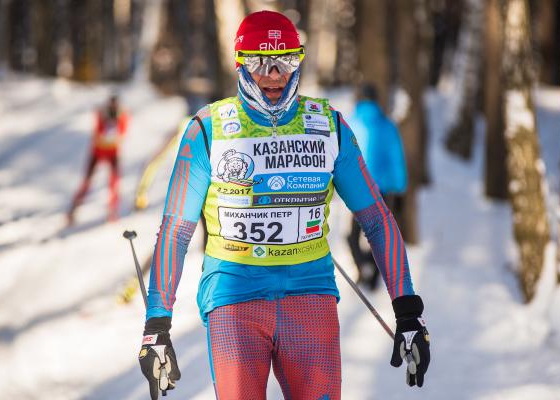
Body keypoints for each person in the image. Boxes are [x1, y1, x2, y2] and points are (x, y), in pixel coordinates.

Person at [137, 11, 430, 400]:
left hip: (309, 297)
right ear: (240, 62)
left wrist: (407, 309)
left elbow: (376, 218)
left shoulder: (327, 125)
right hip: (235, 299)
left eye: (285, 60)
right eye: (260, 62)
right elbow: (176, 231)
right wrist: (158, 322)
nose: (273, 74)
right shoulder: (207, 129)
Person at [347, 84, 408, 289]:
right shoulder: (387, 125)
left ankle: (362, 267)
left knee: (353, 233)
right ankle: (372, 275)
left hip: (356, 186)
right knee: (376, 234)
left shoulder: (350, 122)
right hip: (379, 188)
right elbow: (396, 158)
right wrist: (399, 189)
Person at [67, 94, 128, 224]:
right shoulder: (101, 114)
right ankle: (73, 209)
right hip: (98, 152)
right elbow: (98, 132)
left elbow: (123, 133)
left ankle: (113, 211)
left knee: (114, 182)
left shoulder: (122, 116)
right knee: (87, 181)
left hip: (113, 153)